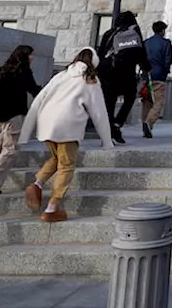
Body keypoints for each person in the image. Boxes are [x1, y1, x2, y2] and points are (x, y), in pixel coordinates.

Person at [20, 48, 114, 222]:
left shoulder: (61, 75)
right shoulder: (90, 79)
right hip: (68, 125)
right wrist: (107, 141)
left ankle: (37, 184)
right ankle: (52, 207)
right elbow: (98, 112)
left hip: (46, 122)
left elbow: (39, 99)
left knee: (57, 159)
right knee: (67, 166)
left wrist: (26, 132)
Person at [0, 45, 41, 195]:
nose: (32, 57)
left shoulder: (3, 69)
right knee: (11, 149)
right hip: (12, 112)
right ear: (24, 56)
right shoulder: (24, 72)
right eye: (30, 55)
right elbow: (34, 90)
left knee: (7, 134)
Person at [97, 10, 150, 145]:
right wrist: (146, 67)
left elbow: (100, 53)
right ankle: (118, 123)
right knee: (130, 97)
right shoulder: (133, 32)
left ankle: (109, 133)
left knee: (109, 102)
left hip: (108, 74)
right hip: (127, 74)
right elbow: (141, 52)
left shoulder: (109, 34)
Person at [141, 20, 172, 139]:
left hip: (146, 76)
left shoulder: (146, 42)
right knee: (158, 102)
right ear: (163, 30)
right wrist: (165, 71)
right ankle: (149, 122)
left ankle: (144, 125)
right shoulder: (166, 43)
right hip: (159, 75)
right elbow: (167, 60)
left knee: (147, 101)